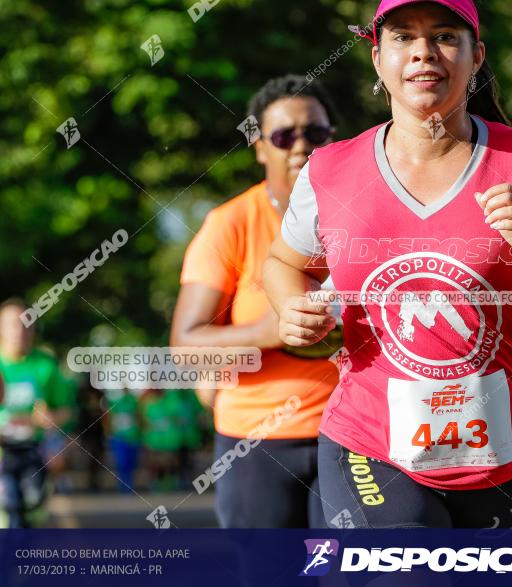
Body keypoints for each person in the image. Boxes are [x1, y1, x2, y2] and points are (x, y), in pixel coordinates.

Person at [263, 0, 512, 529]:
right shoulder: (330, 170)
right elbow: (281, 262)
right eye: (403, 37)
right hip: (373, 443)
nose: (423, 53)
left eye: (444, 37)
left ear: (477, 56)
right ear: (377, 58)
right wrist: (289, 308)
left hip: (510, 455)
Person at [171, 74, 340, 527]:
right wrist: (267, 331)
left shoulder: (364, 218)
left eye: (316, 133)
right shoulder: (230, 225)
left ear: (333, 140)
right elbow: (185, 346)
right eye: (284, 136)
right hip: (256, 439)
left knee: (350, 573)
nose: (301, 146)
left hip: (350, 436)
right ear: (261, 147)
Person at [0, 298, 73, 527]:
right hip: (3, 452)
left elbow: (67, 412)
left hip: (35, 451)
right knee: (9, 506)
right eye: (12, 324)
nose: (18, 331)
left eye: (25, 323)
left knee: (33, 508)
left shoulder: (46, 366)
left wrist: (51, 421)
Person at [105, 387, 141, 492]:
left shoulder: (133, 402)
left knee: (130, 462)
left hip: (132, 436)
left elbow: (138, 417)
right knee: (122, 462)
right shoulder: (116, 403)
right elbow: (110, 418)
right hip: (120, 437)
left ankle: (129, 483)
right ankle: (123, 484)